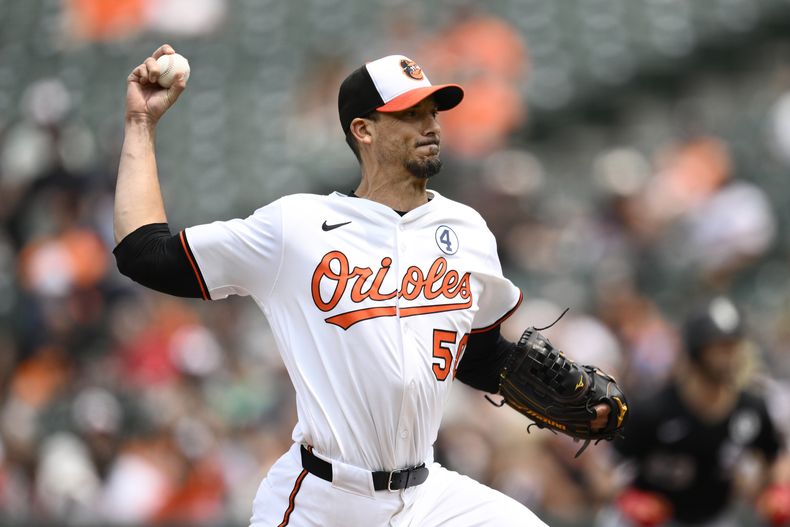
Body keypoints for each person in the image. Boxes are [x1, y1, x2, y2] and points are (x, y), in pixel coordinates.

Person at [113, 45, 611, 526]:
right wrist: (141, 124)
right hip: (324, 499)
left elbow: (477, 356)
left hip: (427, 495)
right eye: (411, 113)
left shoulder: (467, 231)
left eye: (433, 110)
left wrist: (573, 399)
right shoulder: (297, 227)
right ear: (364, 129)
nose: (431, 124)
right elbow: (145, 255)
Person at [598, 296, 785, 527]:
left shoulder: (751, 409)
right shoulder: (653, 410)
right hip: (651, 521)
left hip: (714, 518)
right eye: (720, 348)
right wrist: (628, 499)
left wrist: (777, 490)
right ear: (696, 351)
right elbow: (604, 475)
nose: (731, 357)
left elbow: (775, 458)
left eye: (734, 346)